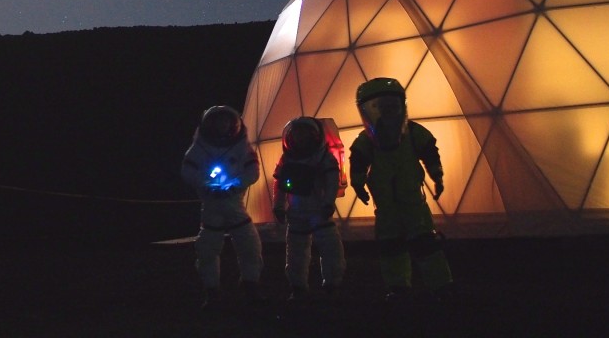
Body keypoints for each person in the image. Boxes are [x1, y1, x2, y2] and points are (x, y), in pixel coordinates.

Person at [349, 77, 454, 302]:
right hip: (387, 207)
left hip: (412, 203)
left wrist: (437, 174)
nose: (387, 113)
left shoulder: (412, 133)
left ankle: (440, 284)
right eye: (380, 107)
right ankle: (398, 286)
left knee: (425, 244)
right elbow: (357, 162)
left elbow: (429, 152)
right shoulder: (367, 140)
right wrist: (357, 183)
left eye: (391, 107)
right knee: (391, 246)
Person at [181, 105, 264, 308]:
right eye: (218, 122)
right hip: (212, 206)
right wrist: (206, 185)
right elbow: (188, 172)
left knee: (250, 246)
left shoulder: (241, 147)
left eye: (226, 122)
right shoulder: (200, 147)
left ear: (234, 124)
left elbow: (252, 171)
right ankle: (212, 290)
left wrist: (234, 186)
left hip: (233, 204)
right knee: (207, 250)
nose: (222, 126)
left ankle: (250, 283)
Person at [271, 116, 346, 300]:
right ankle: (298, 287)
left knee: (330, 249)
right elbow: (280, 185)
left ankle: (332, 284)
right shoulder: (288, 159)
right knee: (296, 251)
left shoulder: (323, 158)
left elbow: (331, 183)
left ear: (314, 135)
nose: (300, 137)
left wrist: (328, 203)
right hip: (297, 212)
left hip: (318, 210)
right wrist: (279, 206)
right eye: (297, 133)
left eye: (304, 133)